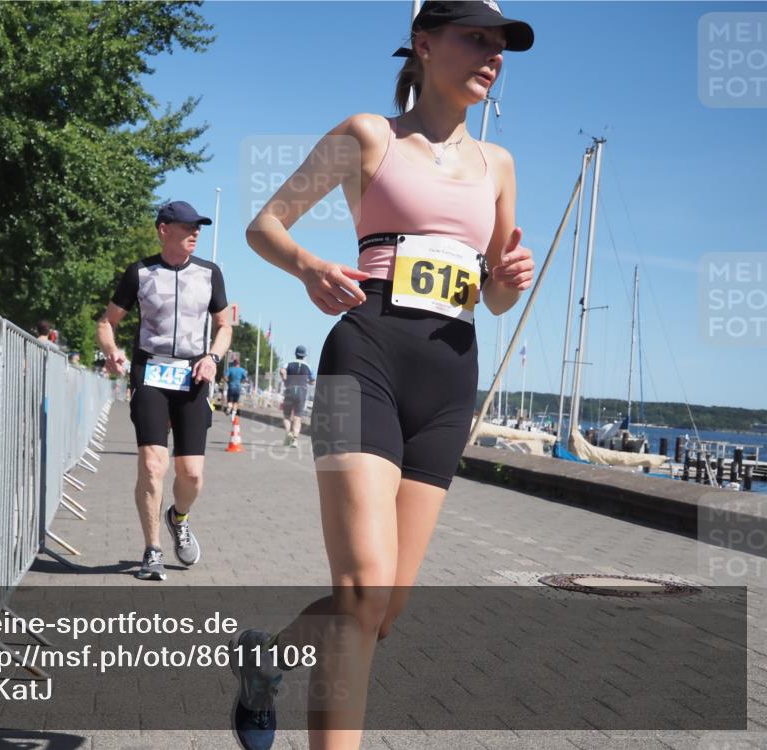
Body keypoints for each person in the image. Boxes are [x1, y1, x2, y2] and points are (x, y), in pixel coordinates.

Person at [237, 3, 536, 748]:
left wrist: (506, 281)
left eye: (500, 45)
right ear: (424, 44)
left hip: (450, 379)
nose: (492, 55)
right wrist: (308, 266)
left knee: (384, 610)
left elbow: (494, 297)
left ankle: (267, 661)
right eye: (476, 38)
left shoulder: (499, 165)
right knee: (362, 590)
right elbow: (264, 226)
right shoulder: (371, 135)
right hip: (362, 360)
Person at [96, 200, 232, 581]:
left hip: (194, 376)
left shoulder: (209, 273)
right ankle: (152, 549)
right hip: (150, 373)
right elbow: (107, 323)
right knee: (153, 465)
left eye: (198, 227)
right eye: (187, 226)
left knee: (191, 475)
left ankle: (179, 517)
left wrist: (213, 358)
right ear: (163, 230)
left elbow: (224, 326)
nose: (195, 233)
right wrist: (112, 351)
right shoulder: (140, 273)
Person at [279, 345, 315, 447]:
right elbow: (313, 381)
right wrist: (308, 381)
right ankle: (294, 440)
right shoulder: (308, 366)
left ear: (295, 353)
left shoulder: (288, 363)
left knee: (286, 416)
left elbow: (282, 370)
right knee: (297, 417)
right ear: (304, 355)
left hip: (290, 390)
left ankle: (288, 433)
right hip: (302, 391)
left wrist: (284, 378)